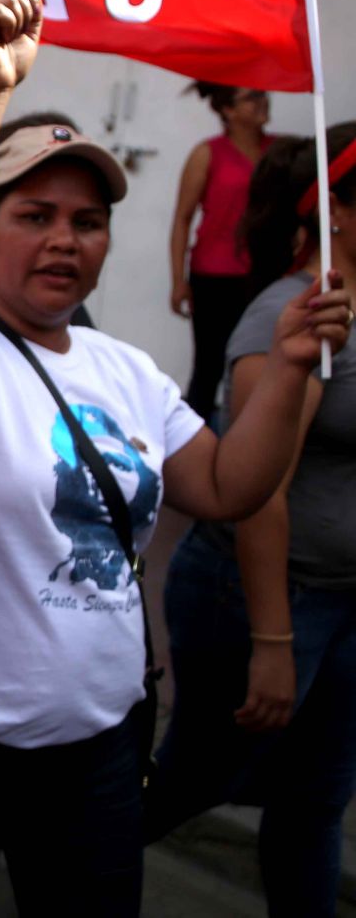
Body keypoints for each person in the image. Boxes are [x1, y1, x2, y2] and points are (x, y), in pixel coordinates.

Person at [0, 0, 351, 916]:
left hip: (96, 750)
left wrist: (290, 367)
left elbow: (223, 484)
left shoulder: (123, 368)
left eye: (85, 223)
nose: (64, 239)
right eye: (33, 215)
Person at [145, 123, 356, 917]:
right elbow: (258, 487)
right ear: (333, 212)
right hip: (266, 600)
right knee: (195, 779)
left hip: (340, 603)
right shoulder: (291, 315)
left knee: (312, 801)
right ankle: (51, 858)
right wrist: (273, 643)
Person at [169, 80, 275, 420]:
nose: (262, 101)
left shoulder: (279, 151)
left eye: (263, 94)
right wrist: (178, 281)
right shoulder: (207, 153)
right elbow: (183, 219)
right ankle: (191, 447)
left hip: (266, 275)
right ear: (227, 110)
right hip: (214, 276)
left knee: (259, 363)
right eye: (252, 97)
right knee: (210, 366)